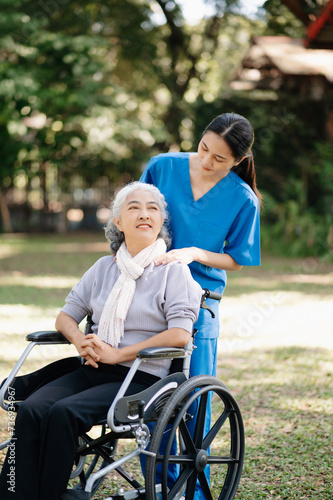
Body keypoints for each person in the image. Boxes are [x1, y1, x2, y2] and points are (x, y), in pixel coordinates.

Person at [0, 182, 202, 500]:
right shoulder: (104, 268)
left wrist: (118, 354)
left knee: (63, 412)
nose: (144, 213)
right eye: (133, 207)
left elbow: (180, 334)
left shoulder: (173, 272)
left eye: (152, 208)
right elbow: (65, 317)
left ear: (162, 220)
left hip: (143, 378)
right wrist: (80, 340)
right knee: (33, 408)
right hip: (93, 368)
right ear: (118, 222)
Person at [140, 112, 261, 497]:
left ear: (239, 161)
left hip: (201, 303)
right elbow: (134, 217)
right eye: (204, 148)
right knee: (149, 394)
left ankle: (192, 490)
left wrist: (194, 252)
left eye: (220, 158)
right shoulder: (162, 167)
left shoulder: (243, 199)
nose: (207, 161)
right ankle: (157, 486)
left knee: (194, 398)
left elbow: (237, 258)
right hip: (149, 296)